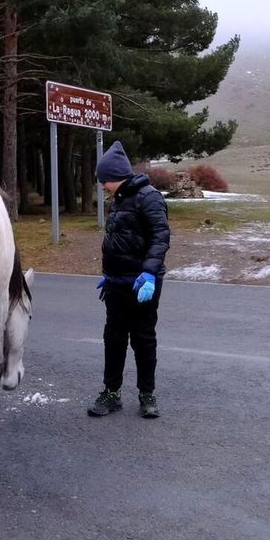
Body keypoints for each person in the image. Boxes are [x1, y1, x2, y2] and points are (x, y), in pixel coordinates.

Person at [87, 141, 170, 419]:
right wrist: (109, 275)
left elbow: (160, 238)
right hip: (116, 284)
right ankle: (112, 393)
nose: (102, 186)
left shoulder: (150, 197)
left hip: (142, 284)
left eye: (103, 181)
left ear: (115, 176)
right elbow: (119, 242)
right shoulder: (121, 199)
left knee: (144, 340)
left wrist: (148, 273)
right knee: (113, 339)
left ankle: (147, 395)